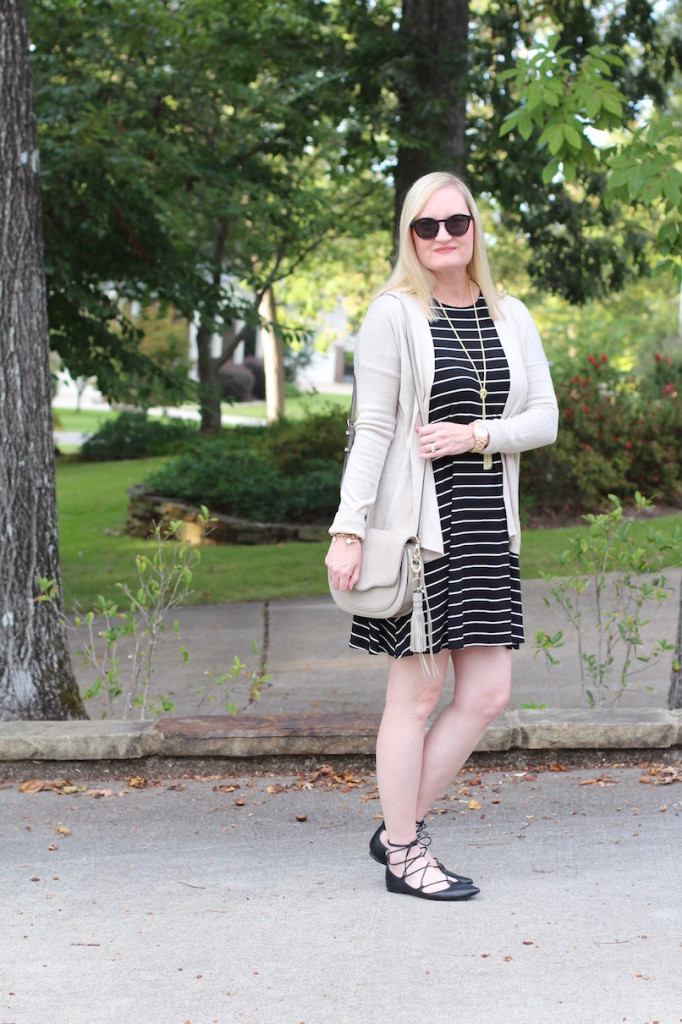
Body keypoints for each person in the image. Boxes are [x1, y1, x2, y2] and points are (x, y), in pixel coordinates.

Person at [325, 171, 558, 902]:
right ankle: (405, 853)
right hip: (422, 529)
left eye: (456, 223)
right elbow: (373, 429)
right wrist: (348, 527)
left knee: (487, 691)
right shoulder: (394, 314)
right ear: (411, 237)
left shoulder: (510, 315)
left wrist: (474, 434)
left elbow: (544, 419)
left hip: (488, 522)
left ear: (474, 229)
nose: (444, 237)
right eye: (427, 227)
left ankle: (401, 823)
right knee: (418, 695)